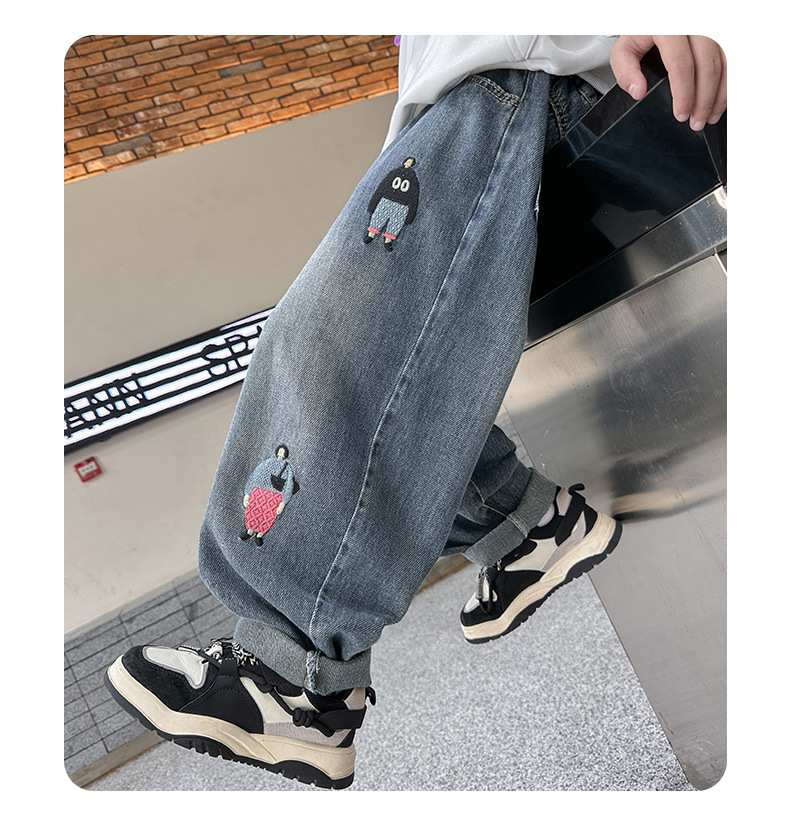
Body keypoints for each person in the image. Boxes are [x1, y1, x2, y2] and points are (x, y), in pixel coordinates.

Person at [104, 35, 727, 790]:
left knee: (329, 347)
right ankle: (528, 523)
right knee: (411, 374)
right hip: (479, 95)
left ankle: (294, 678)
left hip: (519, 79)